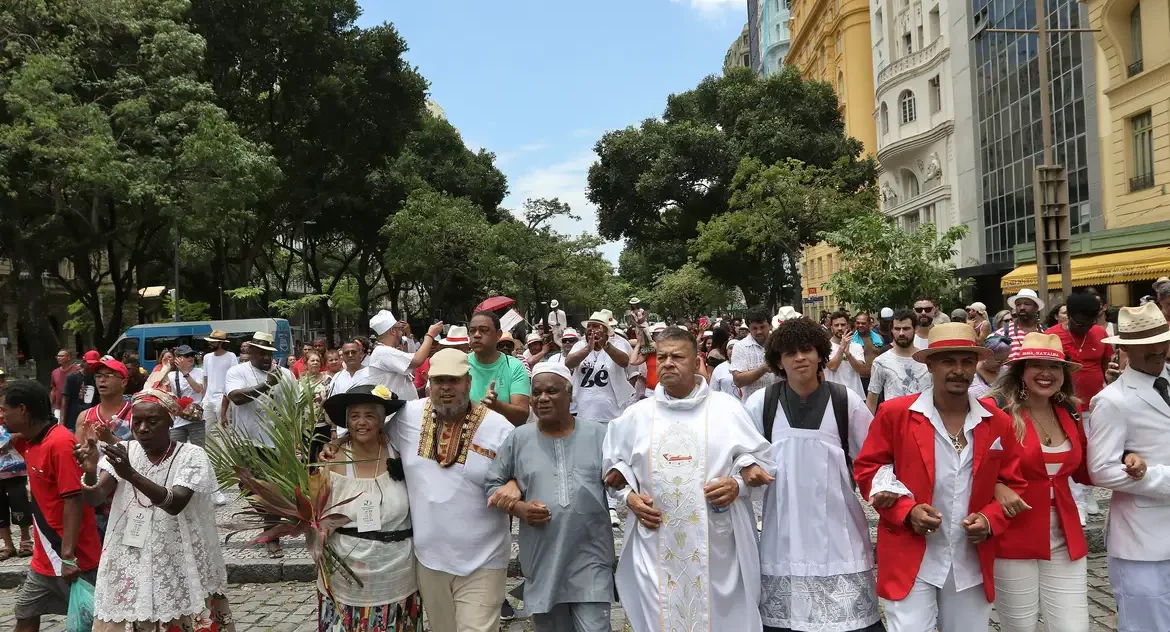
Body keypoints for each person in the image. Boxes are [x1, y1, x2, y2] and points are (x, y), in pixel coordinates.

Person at [853, 322, 1028, 632]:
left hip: (968, 556)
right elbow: (868, 469)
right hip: (910, 552)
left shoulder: (997, 421)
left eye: (965, 361)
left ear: (976, 364)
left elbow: (1013, 482)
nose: (958, 370)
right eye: (948, 360)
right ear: (930, 364)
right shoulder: (896, 414)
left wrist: (990, 520)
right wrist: (906, 512)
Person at [602, 327, 774, 632]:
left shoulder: (727, 410)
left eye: (677, 356)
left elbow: (760, 461)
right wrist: (630, 498)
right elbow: (613, 472)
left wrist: (738, 484)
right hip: (655, 543)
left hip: (719, 548)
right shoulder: (635, 416)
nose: (668, 363)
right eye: (662, 356)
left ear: (697, 363)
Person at [330, 349, 513, 632]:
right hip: (429, 560)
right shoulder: (408, 417)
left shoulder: (499, 428)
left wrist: (513, 485)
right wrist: (338, 445)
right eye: (439, 381)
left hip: (484, 558)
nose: (446, 388)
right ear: (428, 383)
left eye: (454, 380)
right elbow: (370, 435)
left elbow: (522, 474)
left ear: (468, 381)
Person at [984, 333, 1143, 632]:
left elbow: (1084, 468)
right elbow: (971, 465)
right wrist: (996, 487)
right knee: (1021, 627)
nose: (1046, 373)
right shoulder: (996, 411)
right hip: (1014, 534)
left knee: (1073, 627)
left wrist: (1125, 455)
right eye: (1036, 365)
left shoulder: (1068, 412)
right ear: (1021, 370)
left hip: (1065, 535)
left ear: (1063, 374)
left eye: (1054, 367)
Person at [746, 318, 882, 632]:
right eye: (790, 352)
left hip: (839, 530)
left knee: (850, 622)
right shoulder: (760, 404)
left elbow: (872, 458)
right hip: (783, 530)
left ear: (820, 353)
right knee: (787, 622)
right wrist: (747, 469)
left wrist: (886, 494)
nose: (800, 358)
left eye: (807, 349)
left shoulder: (844, 400)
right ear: (778, 360)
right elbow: (741, 458)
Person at [74, 389, 233, 632]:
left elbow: (175, 503)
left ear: (170, 421)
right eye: (137, 421)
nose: (143, 428)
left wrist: (132, 475)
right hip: (130, 555)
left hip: (178, 555)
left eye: (152, 421)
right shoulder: (125, 451)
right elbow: (95, 498)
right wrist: (89, 471)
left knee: (179, 610)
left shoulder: (191, 455)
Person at [485, 364, 616, 632]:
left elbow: (623, 481)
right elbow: (491, 485)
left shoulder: (600, 435)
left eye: (552, 391)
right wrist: (520, 508)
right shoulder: (518, 439)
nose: (543, 398)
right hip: (543, 560)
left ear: (570, 395)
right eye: (537, 393)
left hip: (591, 558)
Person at [1087, 302, 1170, 632]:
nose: (1157, 350)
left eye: (1161, 340)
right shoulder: (1112, 400)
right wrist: (1156, 476)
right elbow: (1101, 469)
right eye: (1144, 345)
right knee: (1147, 626)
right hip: (1141, 542)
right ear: (1124, 349)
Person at [318, 384, 420, 632]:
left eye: (370, 415)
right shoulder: (333, 461)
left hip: (398, 575)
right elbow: (317, 515)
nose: (361, 423)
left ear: (382, 420)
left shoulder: (399, 452)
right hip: (347, 577)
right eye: (354, 416)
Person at [3, 380, 102, 632]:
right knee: (25, 613)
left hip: (73, 558)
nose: (1, 415)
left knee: (92, 620)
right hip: (44, 559)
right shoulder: (29, 441)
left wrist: (68, 556)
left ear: (23, 409)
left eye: (4, 410)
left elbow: (74, 499)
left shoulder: (59, 443)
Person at [224, 331, 297, 558]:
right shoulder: (237, 371)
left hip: (276, 443)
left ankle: (271, 536)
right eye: (261, 352)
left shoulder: (286, 374)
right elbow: (235, 397)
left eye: (270, 353)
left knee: (271, 491)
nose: (266, 357)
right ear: (251, 351)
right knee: (248, 489)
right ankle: (267, 518)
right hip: (246, 442)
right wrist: (266, 385)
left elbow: (293, 406)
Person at [565, 310, 634, 427]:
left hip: (613, 413)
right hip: (584, 412)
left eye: (596, 326)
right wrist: (588, 349)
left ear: (606, 330)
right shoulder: (580, 345)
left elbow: (624, 362)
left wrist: (605, 346)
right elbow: (568, 363)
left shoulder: (619, 343)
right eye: (589, 326)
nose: (591, 329)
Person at [468, 311, 533, 427]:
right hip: (466, 439)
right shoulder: (461, 365)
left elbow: (522, 417)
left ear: (498, 335)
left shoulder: (514, 366)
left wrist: (497, 405)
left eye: (484, 330)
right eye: (472, 331)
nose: (476, 335)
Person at [366, 310, 442, 400]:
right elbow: (417, 360)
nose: (402, 333)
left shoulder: (385, 351)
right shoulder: (382, 352)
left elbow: (412, 357)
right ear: (393, 331)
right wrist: (430, 335)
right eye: (400, 329)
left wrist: (409, 335)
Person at [866, 309, 932, 413]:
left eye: (906, 328)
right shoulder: (880, 362)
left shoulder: (927, 360)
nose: (901, 333)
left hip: (923, 422)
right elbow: (872, 400)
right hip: (893, 423)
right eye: (897, 328)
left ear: (915, 328)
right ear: (891, 330)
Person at [0, 403, 33, 561]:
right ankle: (7, 544)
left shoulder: (10, 407)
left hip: (15, 468)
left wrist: (16, 436)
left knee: (19, 501)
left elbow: (26, 429)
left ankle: (25, 540)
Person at [731, 305, 779, 401]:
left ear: (770, 325)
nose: (759, 332)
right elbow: (738, 381)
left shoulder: (780, 344)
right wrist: (763, 369)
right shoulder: (740, 346)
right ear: (749, 328)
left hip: (779, 403)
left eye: (762, 327)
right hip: (752, 406)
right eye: (754, 328)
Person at [166, 345, 206, 446]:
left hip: (196, 417)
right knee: (175, 451)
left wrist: (184, 372)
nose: (191, 358)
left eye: (192, 355)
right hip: (178, 419)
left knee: (199, 450)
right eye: (187, 355)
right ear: (178, 358)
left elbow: (197, 389)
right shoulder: (171, 375)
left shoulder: (200, 372)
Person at [826, 310, 868, 397]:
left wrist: (848, 354)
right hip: (834, 396)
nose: (840, 328)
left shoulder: (857, 346)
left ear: (848, 326)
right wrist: (842, 348)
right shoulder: (825, 346)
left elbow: (860, 369)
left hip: (856, 395)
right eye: (836, 325)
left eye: (843, 325)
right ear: (831, 327)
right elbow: (833, 367)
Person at [303, 350, 333, 464]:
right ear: (306, 364)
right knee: (308, 458)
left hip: (325, 425)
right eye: (312, 360)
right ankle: (310, 479)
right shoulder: (300, 382)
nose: (315, 363)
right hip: (306, 427)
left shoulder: (328, 380)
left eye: (317, 360)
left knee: (325, 457)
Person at [996, 288, 1047, 354]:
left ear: (1036, 307)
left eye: (1027, 304)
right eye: (1018, 304)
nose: (1022, 307)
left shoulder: (1046, 332)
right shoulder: (1002, 333)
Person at [61, 350, 100, 430]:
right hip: (72, 422)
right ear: (83, 362)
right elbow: (65, 401)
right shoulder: (72, 377)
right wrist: (62, 423)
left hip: (91, 422)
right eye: (89, 364)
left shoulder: (98, 379)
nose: (91, 366)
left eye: (94, 364)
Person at [49, 349, 76, 421]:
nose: (58, 358)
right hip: (58, 408)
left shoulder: (77, 370)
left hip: (74, 407)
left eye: (61, 356)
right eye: (57, 356)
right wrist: (49, 406)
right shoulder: (55, 372)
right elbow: (53, 390)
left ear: (68, 357)